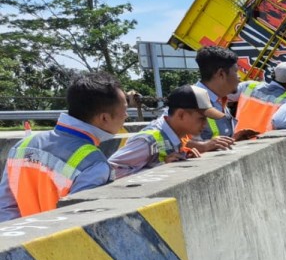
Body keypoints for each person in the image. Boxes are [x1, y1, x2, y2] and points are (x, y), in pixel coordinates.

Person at [0, 73, 126, 221]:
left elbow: (5, 207)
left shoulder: (22, 145)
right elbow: (81, 222)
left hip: (22, 233)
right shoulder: (94, 164)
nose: (126, 116)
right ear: (104, 117)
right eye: (124, 110)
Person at [108, 86, 212, 179]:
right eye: (201, 118)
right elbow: (111, 169)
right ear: (181, 115)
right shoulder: (147, 141)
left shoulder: (176, 136)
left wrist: (184, 156)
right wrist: (159, 168)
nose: (206, 123)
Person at [232, 61, 286, 137]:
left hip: (236, 141)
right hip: (262, 143)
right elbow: (279, 123)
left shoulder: (249, 86)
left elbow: (226, 94)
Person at [189, 46, 238, 152]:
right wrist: (203, 146)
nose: (239, 78)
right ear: (221, 74)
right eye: (236, 71)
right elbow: (166, 136)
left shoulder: (218, 99)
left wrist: (237, 137)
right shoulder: (190, 99)